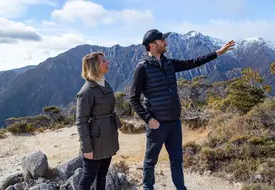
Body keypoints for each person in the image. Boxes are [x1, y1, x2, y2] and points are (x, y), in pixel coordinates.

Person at [129, 29, 235, 190]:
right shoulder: (142, 68)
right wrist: (149, 120)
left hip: (174, 123)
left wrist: (217, 53)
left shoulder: (169, 63)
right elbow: (133, 99)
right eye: (162, 41)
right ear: (152, 45)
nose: (166, 43)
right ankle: (147, 187)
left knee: (177, 160)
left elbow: (193, 62)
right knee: (151, 161)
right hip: (157, 125)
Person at [76, 52, 121, 190]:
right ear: (95, 66)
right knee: (88, 176)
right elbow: (81, 122)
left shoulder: (103, 83)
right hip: (95, 140)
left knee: (102, 174)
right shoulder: (86, 91)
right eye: (103, 61)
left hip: (108, 136)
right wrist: (87, 148)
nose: (107, 63)